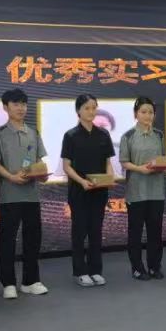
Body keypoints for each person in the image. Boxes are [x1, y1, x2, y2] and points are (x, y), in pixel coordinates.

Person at [0, 89, 49, 300]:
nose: (21, 108)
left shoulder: (33, 132)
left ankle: (30, 281)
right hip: (9, 195)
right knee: (7, 240)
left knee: (33, 239)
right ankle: (8, 283)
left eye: (23, 104)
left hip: (31, 195)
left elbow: (39, 160)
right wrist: (11, 177)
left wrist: (42, 174)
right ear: (6, 107)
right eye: (16, 104)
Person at [61, 94, 116, 287]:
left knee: (96, 231)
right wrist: (82, 182)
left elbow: (108, 162)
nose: (91, 111)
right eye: (87, 108)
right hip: (79, 191)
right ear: (78, 111)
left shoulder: (103, 134)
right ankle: (80, 271)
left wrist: (110, 178)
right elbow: (67, 166)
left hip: (99, 191)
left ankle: (95, 270)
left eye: (94, 107)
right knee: (79, 232)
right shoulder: (71, 136)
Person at [119, 96, 166, 281]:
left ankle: (155, 266)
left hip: (156, 190)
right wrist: (140, 168)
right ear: (136, 114)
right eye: (143, 112)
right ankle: (137, 268)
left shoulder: (159, 135)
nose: (148, 116)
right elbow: (124, 162)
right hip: (136, 191)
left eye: (151, 112)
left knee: (155, 231)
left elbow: (164, 158)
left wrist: (163, 166)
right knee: (136, 233)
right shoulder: (128, 136)